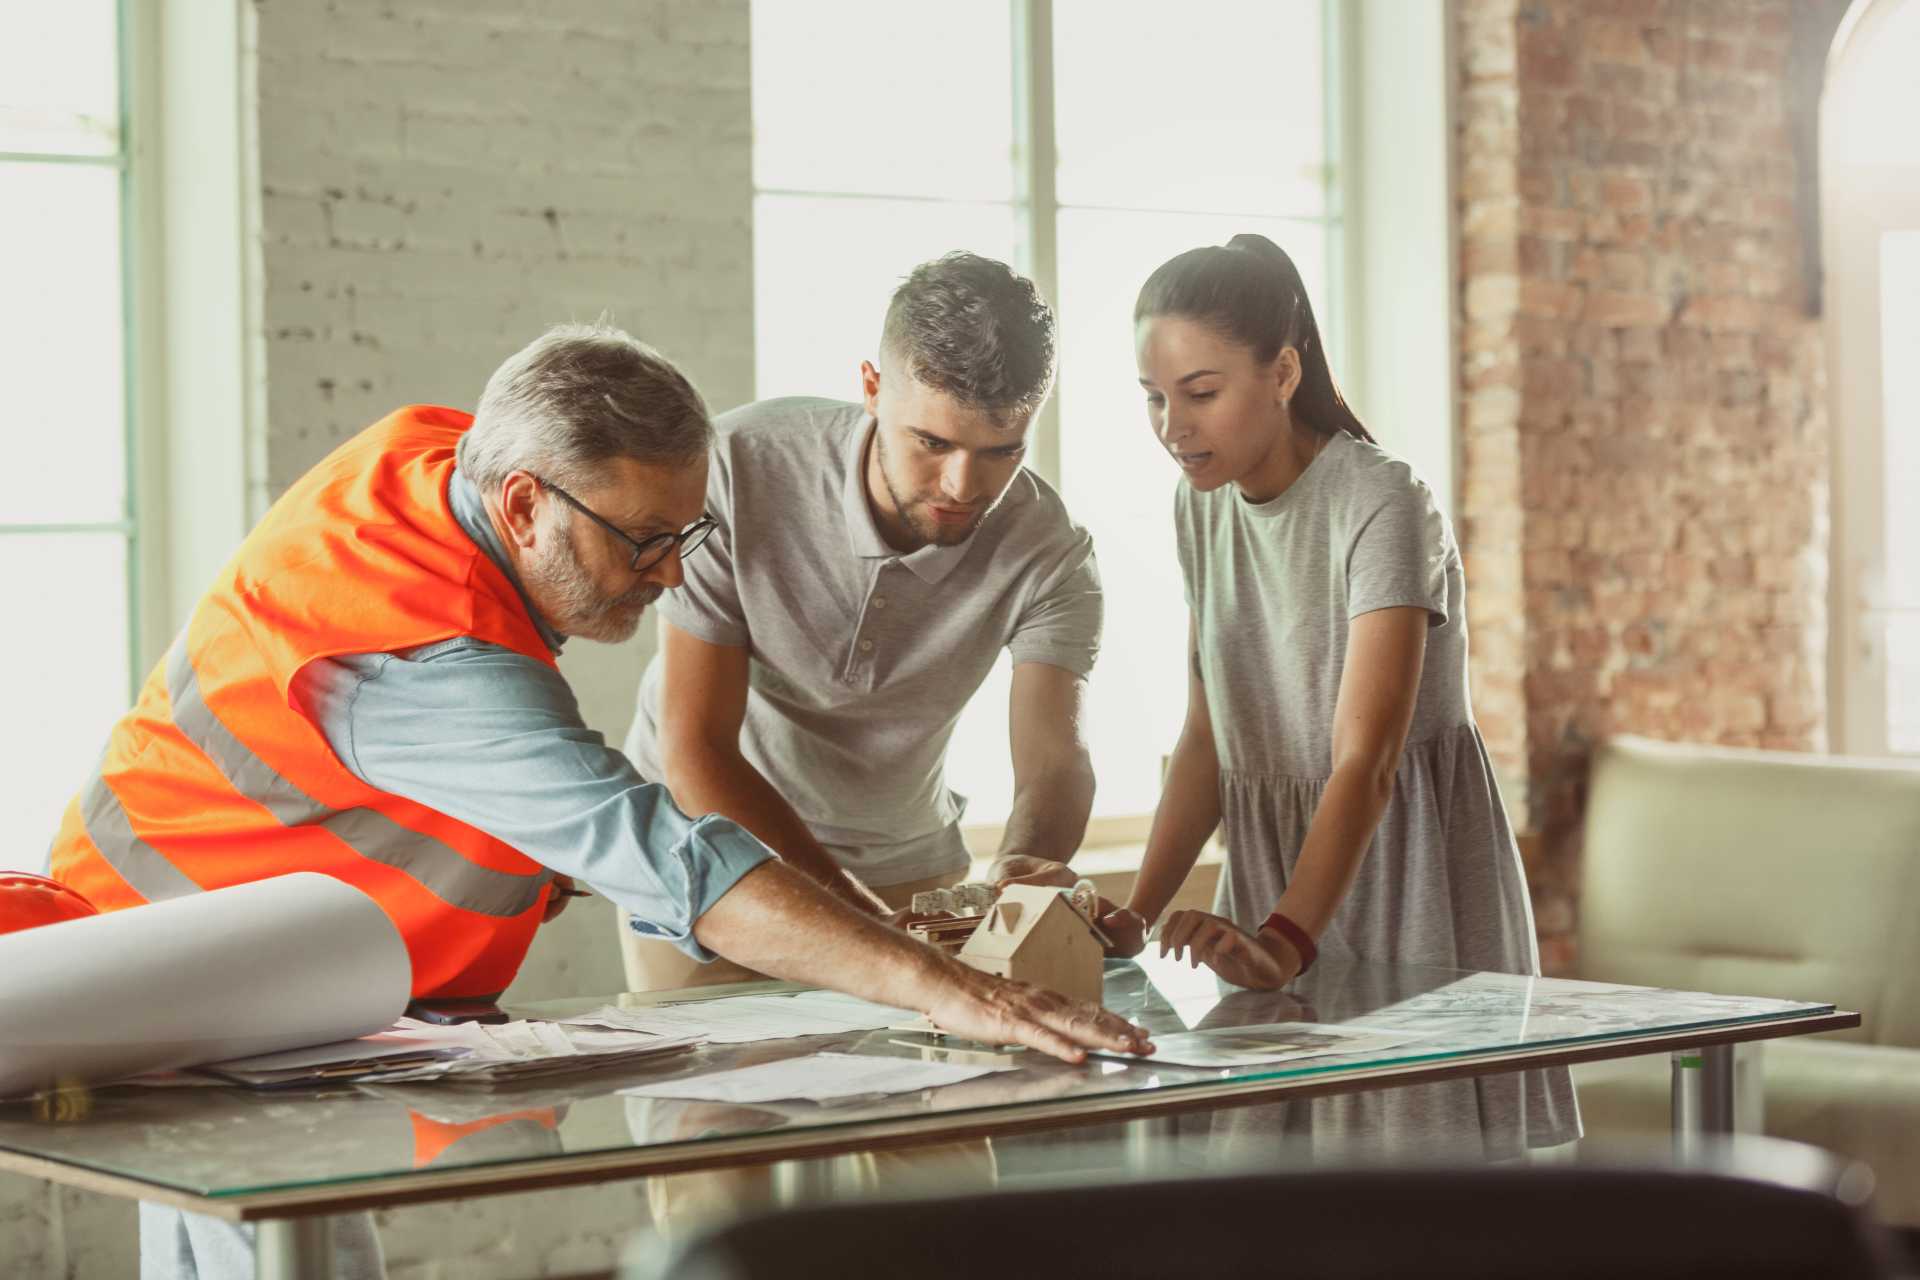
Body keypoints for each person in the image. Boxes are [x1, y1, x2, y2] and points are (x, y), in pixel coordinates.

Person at [45, 322, 1151, 1280]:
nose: (671, 575)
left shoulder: (441, 468)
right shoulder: (428, 653)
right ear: (525, 503)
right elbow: (667, 855)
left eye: (685, 534)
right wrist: (948, 987)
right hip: (156, 962)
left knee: (284, 1236)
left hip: (230, 958)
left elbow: (412, 784)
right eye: (643, 540)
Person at [1115, 234, 1578, 1157]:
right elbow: (1210, 737)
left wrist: (1285, 939)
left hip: (1405, 880)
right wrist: (1132, 915)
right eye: (1154, 397)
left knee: (1407, 1202)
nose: (1173, 426)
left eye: (1200, 393)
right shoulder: (1197, 503)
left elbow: (1366, 762)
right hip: (1277, 879)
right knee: (1267, 1188)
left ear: (1283, 372)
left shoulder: (1382, 500)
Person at [621, 252, 1141, 993]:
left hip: (905, 868)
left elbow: (1056, 759)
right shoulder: (733, 468)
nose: (963, 486)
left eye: (1001, 452)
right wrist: (862, 926)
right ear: (871, 388)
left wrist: (1025, 866)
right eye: (933, 442)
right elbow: (697, 749)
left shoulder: (1051, 551)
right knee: (708, 1073)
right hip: (709, 854)